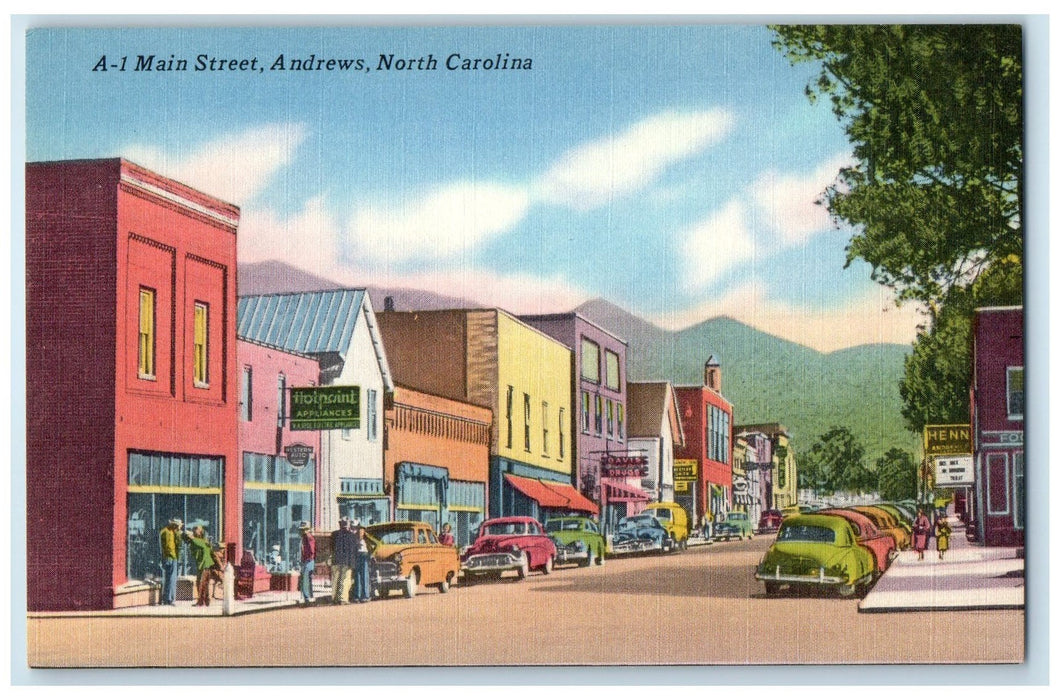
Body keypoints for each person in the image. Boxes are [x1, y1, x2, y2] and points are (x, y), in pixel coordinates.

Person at [182, 525, 222, 606]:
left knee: (201, 583)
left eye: (194, 531)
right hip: (204, 564)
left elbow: (199, 544)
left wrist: (191, 537)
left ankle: (201, 602)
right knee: (204, 583)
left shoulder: (201, 542)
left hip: (204, 565)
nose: (193, 532)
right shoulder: (201, 542)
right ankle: (206, 601)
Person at [330, 518, 355, 604]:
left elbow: (332, 547)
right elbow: (353, 550)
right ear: (348, 525)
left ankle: (334, 598)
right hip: (347, 561)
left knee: (335, 580)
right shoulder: (351, 535)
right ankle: (343, 599)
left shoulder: (334, 534)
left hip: (336, 560)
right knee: (345, 580)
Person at [159, 517, 182, 605]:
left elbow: (177, 543)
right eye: (177, 526)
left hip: (171, 557)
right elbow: (169, 547)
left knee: (169, 578)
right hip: (170, 557)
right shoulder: (167, 532)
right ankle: (170, 598)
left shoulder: (171, 532)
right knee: (171, 579)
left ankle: (168, 598)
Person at [353, 521, 372, 603]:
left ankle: (365, 595)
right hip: (358, 556)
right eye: (359, 529)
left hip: (364, 555)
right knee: (358, 576)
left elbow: (374, 545)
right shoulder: (354, 538)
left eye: (361, 530)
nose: (360, 531)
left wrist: (371, 554)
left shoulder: (367, 538)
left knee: (364, 575)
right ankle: (359, 595)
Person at [299, 521, 316, 604]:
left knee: (305, 579)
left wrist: (308, 558)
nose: (303, 531)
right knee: (307, 579)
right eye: (302, 529)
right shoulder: (304, 537)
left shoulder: (308, 537)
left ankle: (307, 597)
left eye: (305, 529)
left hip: (308, 560)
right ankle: (308, 596)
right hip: (306, 560)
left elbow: (312, 550)